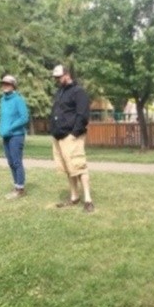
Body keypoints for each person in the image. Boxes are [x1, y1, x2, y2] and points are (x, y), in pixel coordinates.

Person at [49, 64, 94, 212]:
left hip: (71, 136)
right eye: (55, 78)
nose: (57, 80)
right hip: (59, 136)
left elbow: (83, 115)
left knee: (79, 166)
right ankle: (74, 197)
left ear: (67, 74)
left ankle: (88, 200)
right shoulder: (60, 92)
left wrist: (74, 134)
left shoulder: (78, 91)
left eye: (59, 77)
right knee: (68, 168)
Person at [0, 74, 29, 199]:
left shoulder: (18, 100)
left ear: (13, 85)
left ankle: (20, 189)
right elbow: (3, 117)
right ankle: (16, 185)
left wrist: (10, 128)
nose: (5, 86)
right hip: (6, 136)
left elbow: (24, 118)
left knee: (16, 162)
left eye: (8, 84)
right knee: (10, 162)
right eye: (3, 83)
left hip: (16, 136)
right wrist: (1, 129)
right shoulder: (3, 100)